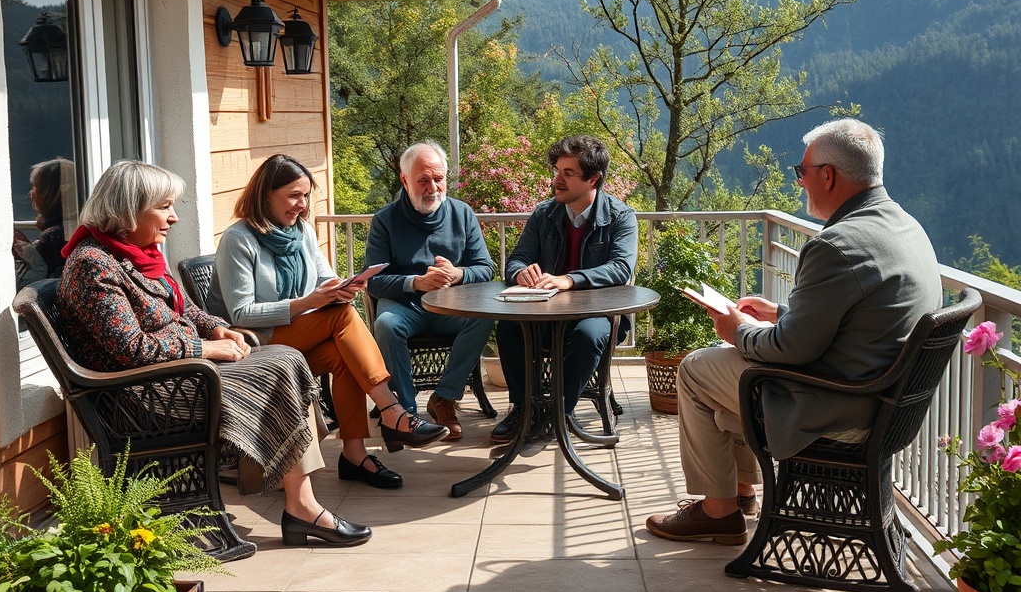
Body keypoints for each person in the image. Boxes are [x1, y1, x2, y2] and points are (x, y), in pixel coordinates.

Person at [645, 118, 942, 545]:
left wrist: (737, 330)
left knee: (696, 370)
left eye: (802, 172)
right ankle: (739, 494)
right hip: (882, 400)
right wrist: (780, 312)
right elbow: (860, 318)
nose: (800, 181)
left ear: (828, 175)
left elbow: (790, 349)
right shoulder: (906, 227)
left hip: (836, 403)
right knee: (726, 388)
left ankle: (719, 511)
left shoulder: (837, 244)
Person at [57, 160, 371, 547]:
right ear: (127, 208)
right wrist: (203, 347)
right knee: (279, 366)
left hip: (179, 373)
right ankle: (302, 507)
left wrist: (215, 327)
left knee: (286, 360)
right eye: (164, 207)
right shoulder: (94, 265)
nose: (173, 217)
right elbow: (131, 348)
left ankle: (300, 503)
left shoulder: (136, 253)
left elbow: (184, 308)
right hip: (147, 393)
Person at [207, 154, 448, 491]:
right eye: (294, 195)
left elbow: (324, 277)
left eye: (306, 195)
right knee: (341, 317)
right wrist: (310, 303)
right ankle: (392, 410)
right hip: (253, 345)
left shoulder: (301, 231)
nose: (302, 205)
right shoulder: (239, 239)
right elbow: (241, 313)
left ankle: (354, 454)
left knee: (344, 355)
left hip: (296, 336)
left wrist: (340, 289)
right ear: (266, 195)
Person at [491, 134, 638, 442]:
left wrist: (569, 279)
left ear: (593, 179)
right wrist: (521, 274)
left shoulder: (621, 217)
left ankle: (560, 412)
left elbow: (621, 268)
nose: (556, 180)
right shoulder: (544, 214)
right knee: (507, 325)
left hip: (597, 315)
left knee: (588, 335)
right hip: (548, 313)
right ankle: (522, 407)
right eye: (557, 171)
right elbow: (516, 260)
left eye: (567, 173)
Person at [365, 141, 495, 440]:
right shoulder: (385, 221)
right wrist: (415, 282)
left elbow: (485, 268)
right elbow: (373, 281)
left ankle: (444, 398)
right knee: (385, 325)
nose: (432, 187)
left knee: (485, 317)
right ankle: (406, 412)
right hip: (405, 307)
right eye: (423, 180)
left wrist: (458, 273)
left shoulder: (461, 214)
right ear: (404, 180)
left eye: (438, 179)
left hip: (451, 306)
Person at [13, 157, 71, 289]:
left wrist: (26, 250)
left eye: (34, 186)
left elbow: (40, 279)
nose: (30, 193)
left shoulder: (53, 236)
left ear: (49, 192)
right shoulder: (66, 228)